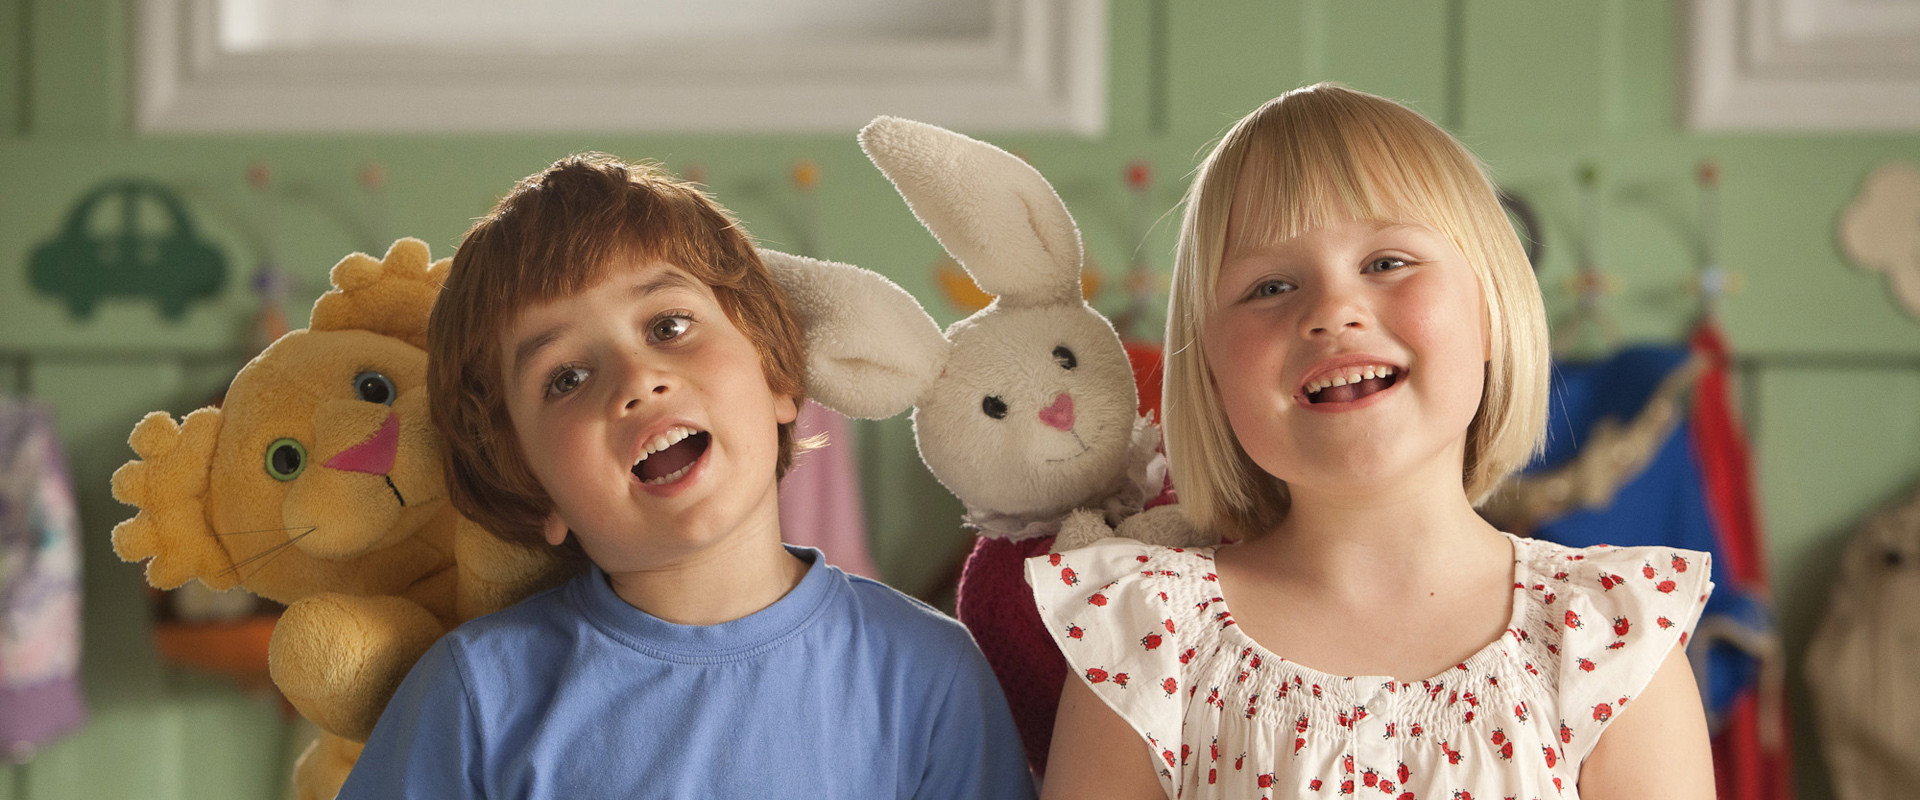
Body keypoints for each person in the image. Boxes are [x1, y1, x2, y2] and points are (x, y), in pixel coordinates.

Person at [1029, 84, 1715, 799]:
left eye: (1387, 263)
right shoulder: (1148, 638)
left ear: (1491, 311)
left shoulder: (1606, 639)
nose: (1332, 312)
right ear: (1209, 370)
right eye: (1269, 287)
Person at [338, 154, 1035, 799]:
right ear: (527, 482)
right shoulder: (475, 695)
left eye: (669, 326)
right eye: (567, 378)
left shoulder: (928, 672)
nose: (637, 381)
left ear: (777, 376)